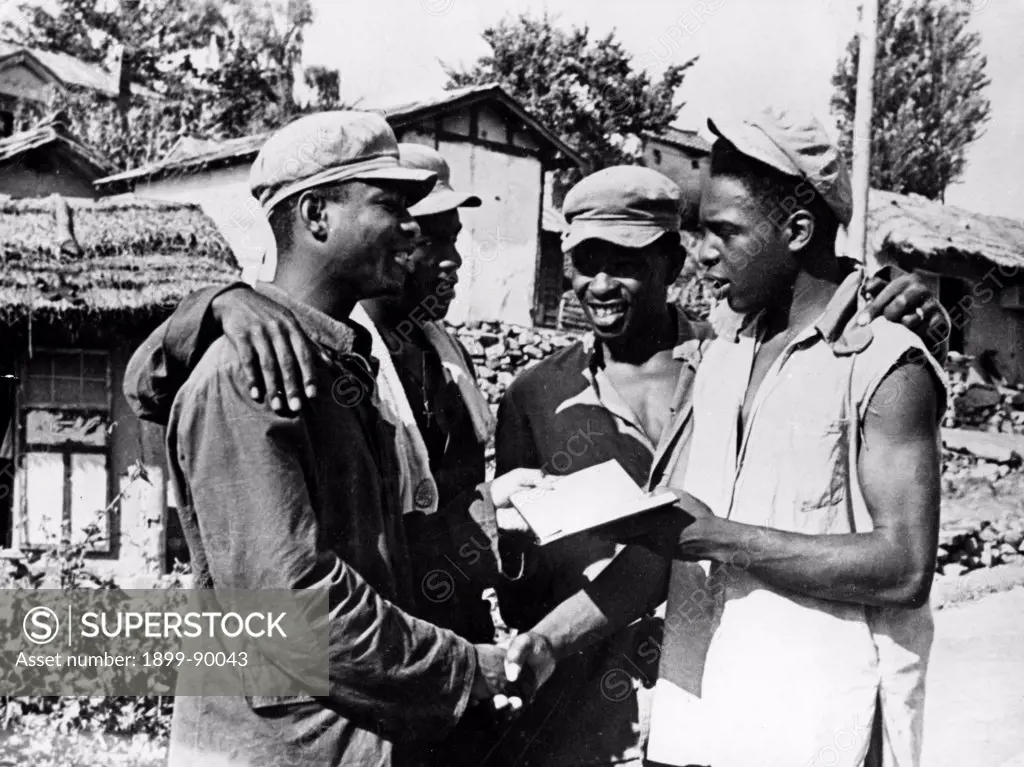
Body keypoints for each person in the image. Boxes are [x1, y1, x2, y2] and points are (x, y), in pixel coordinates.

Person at [131, 163, 949, 767]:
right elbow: (292, 585)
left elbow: (876, 555)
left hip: (779, 720)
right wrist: (221, 302)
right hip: (420, 717)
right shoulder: (284, 357)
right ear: (313, 216)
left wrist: (891, 300)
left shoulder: (735, 358)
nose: (419, 239)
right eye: (397, 211)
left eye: (710, 238)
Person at [507, 109, 945, 767]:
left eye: (725, 232)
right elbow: (665, 545)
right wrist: (547, 640)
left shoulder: (885, 362)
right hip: (698, 727)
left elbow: (905, 566)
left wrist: (721, 538)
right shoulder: (721, 356)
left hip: (816, 733)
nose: (704, 252)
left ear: (797, 230)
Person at [148, 111, 539, 767]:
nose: (411, 228)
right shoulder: (247, 374)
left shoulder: (338, 365)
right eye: (389, 204)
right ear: (316, 215)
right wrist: (475, 669)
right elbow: (296, 605)